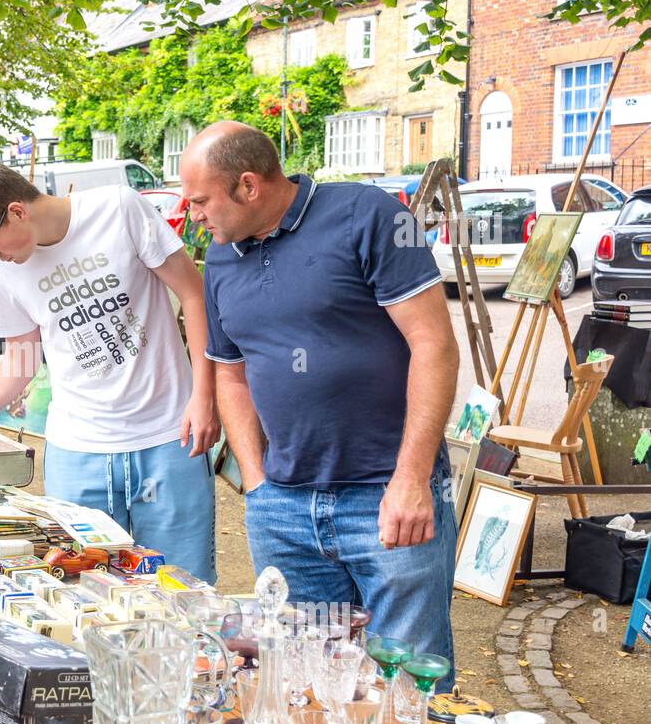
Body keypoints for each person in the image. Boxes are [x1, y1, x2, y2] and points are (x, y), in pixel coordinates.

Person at [179, 121, 460, 689]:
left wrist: (412, 480)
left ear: (249, 186)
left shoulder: (371, 216)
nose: (193, 215)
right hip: (283, 507)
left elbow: (435, 346)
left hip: (386, 497)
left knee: (406, 689)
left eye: (201, 200)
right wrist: (257, 485)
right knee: (307, 687)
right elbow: (230, 375)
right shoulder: (222, 257)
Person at [0, 160, 220, 578]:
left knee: (183, 588)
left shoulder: (119, 209)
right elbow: (21, 360)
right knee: (82, 592)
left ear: (16, 211)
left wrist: (203, 396)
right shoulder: (5, 269)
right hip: (77, 453)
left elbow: (194, 295)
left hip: (168, 438)